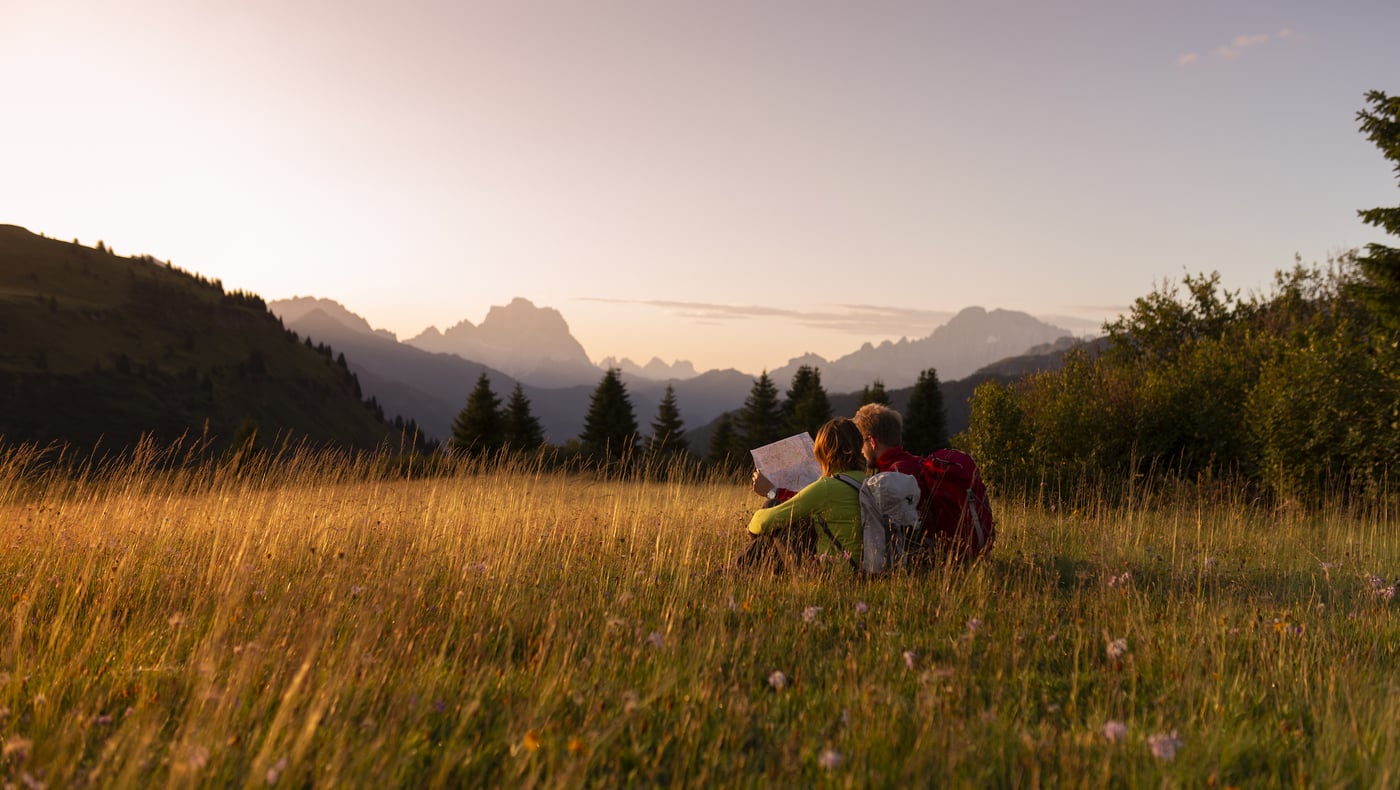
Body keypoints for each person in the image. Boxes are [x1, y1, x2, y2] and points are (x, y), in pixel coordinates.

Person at [739, 418, 867, 573]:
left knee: (774, 514)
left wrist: (752, 529)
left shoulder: (826, 487)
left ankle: (730, 571)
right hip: (862, 568)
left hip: (832, 572)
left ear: (823, 454)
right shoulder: (866, 481)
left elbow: (765, 521)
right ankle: (736, 570)